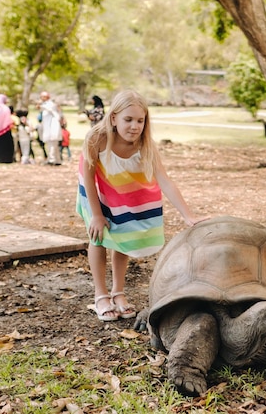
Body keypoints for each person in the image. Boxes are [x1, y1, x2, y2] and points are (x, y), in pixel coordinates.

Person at [76, 89, 207, 322]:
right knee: (98, 236)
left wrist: (188, 215)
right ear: (113, 117)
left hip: (122, 189)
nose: (134, 126)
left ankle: (118, 292)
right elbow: (88, 177)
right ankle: (101, 295)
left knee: (123, 235)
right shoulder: (97, 138)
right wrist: (96, 215)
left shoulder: (145, 144)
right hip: (95, 189)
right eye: (128, 119)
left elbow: (164, 180)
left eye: (140, 120)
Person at [38, 91, 62, 165]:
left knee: (52, 144)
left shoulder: (51, 104)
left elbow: (49, 108)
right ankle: (57, 160)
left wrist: (40, 105)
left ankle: (52, 160)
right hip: (48, 127)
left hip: (53, 127)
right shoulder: (46, 105)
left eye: (42, 97)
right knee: (52, 145)